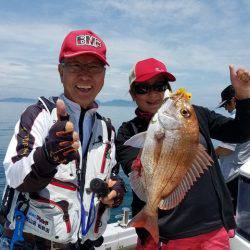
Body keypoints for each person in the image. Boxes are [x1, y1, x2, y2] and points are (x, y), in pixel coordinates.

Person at [0, 29, 126, 249]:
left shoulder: (107, 129)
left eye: (94, 67)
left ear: (103, 75)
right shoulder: (37, 115)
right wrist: (47, 157)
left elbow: (112, 175)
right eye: (76, 65)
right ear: (61, 72)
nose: (85, 75)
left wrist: (116, 191)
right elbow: (14, 177)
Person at [116, 58, 250, 250]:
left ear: (168, 88)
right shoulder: (128, 132)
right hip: (164, 236)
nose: (153, 94)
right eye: (143, 88)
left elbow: (241, 132)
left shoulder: (196, 115)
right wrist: (160, 139)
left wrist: (245, 98)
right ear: (133, 94)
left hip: (213, 230)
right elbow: (136, 172)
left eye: (159, 86)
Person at [215, 84, 250, 212]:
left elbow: (226, 148)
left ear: (234, 100)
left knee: (231, 214)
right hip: (244, 174)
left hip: (232, 177)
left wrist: (209, 153)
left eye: (226, 104)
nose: (225, 108)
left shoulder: (233, 119)